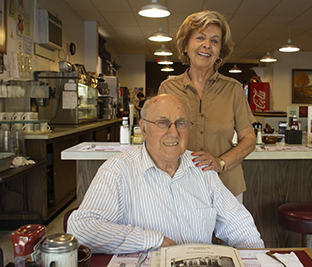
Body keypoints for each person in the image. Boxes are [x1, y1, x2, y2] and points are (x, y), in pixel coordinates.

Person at [67, 94, 264, 254]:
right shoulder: (118, 170)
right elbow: (82, 229)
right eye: (163, 123)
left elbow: (238, 223)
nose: (173, 132)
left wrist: (257, 257)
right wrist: (155, 240)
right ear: (144, 128)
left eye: (181, 123)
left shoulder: (201, 168)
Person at [158, 11, 256, 201]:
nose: (207, 45)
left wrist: (221, 162)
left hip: (226, 187)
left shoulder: (233, 89)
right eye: (200, 37)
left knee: (229, 233)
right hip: (180, 188)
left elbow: (249, 138)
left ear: (220, 50)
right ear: (185, 45)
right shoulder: (168, 88)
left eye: (214, 41)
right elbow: (158, 137)